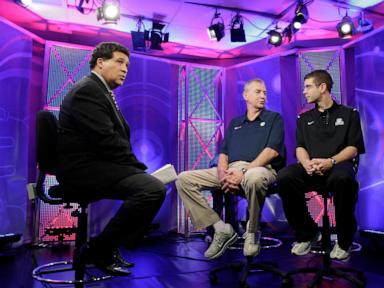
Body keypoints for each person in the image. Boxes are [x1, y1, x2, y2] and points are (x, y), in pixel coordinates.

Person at [56, 42, 166, 275]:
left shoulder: (101, 91)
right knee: (151, 189)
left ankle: (107, 247)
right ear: (100, 62)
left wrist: (134, 168)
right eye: (119, 62)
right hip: (82, 170)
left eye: (127, 64)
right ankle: (101, 249)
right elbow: (106, 140)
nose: (125, 68)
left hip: (96, 166)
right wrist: (136, 168)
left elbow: (113, 138)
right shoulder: (88, 90)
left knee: (151, 186)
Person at [176, 79, 285, 259]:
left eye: (265, 92)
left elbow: (271, 151)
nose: (263, 96)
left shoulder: (274, 118)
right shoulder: (235, 123)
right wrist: (223, 175)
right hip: (230, 170)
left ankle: (252, 232)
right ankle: (220, 228)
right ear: (246, 96)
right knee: (184, 179)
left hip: (261, 168)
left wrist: (242, 172)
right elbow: (223, 154)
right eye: (258, 92)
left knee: (254, 176)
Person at [277, 70, 365, 261]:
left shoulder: (349, 114)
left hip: (337, 165)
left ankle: (343, 241)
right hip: (311, 167)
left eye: (308, 86)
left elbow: (354, 148)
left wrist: (330, 161)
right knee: (284, 176)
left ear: (322, 87)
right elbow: (300, 147)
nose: (304, 92)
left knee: (343, 179)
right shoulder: (304, 118)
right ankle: (307, 233)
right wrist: (307, 163)